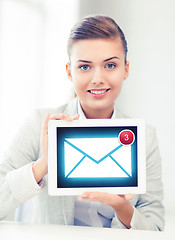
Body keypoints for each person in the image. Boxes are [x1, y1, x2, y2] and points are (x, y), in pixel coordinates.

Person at [0, 15, 164, 230]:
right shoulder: (41, 124)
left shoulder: (145, 137)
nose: (97, 78)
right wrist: (43, 165)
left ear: (126, 69)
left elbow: (156, 227)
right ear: (70, 72)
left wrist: (122, 207)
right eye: (85, 67)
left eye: (110, 65)